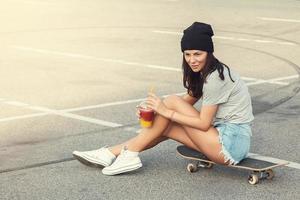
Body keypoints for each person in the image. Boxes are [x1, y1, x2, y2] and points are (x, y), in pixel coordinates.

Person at [72, 22, 254, 176]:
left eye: (198, 54)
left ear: (208, 52)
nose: (192, 60)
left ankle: (127, 153)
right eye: (187, 54)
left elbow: (203, 123)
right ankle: (111, 153)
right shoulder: (204, 73)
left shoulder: (216, 77)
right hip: (222, 141)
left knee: (171, 102)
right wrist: (155, 110)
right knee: (164, 125)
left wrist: (164, 110)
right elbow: (186, 103)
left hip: (230, 145)